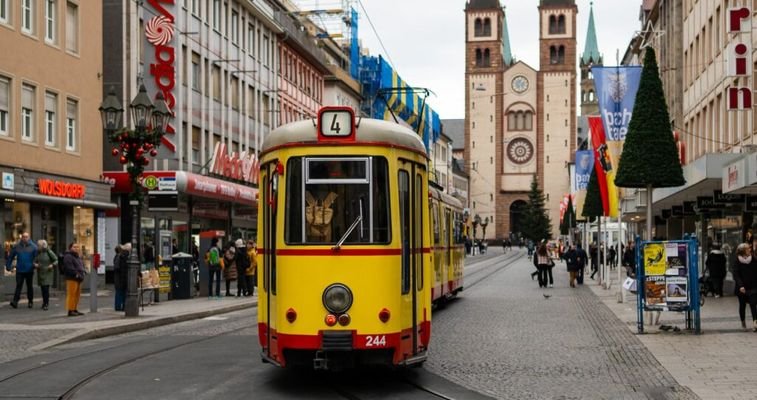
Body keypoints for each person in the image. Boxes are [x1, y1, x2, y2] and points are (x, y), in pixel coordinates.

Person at [5, 232, 38, 309]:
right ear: (21, 238)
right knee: (18, 286)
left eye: (26, 237)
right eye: (23, 237)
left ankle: (30, 301)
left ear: (29, 238)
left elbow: (37, 258)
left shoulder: (34, 247)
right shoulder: (17, 247)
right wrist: (8, 266)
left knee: (29, 286)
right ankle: (15, 302)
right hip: (20, 270)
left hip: (29, 270)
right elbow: (11, 257)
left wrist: (35, 265)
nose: (25, 238)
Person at [733, 243, 757, 331]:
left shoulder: (753, 259)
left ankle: (755, 323)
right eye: (747, 249)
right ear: (743, 251)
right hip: (741, 288)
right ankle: (743, 322)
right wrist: (741, 285)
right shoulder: (737, 261)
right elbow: (736, 274)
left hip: (753, 287)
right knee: (742, 305)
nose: (749, 250)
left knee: (753, 304)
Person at [62, 242, 85, 316]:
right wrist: (76, 274)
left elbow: (81, 265)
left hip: (79, 278)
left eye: (77, 247)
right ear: (70, 248)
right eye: (74, 247)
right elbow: (69, 267)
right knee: (71, 294)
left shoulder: (77, 256)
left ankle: (75, 309)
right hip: (72, 277)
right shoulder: (68, 256)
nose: (76, 248)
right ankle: (70, 310)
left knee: (77, 295)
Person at [33, 239, 57, 311]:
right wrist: (35, 264)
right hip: (41, 272)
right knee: (43, 289)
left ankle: (46, 303)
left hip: (47, 272)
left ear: (43, 246)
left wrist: (52, 265)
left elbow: (56, 260)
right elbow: (34, 261)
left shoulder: (49, 252)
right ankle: (44, 302)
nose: (38, 247)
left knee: (46, 289)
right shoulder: (38, 252)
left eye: (39, 245)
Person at [114, 243, 130, 311]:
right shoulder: (122, 257)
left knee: (120, 292)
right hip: (121, 278)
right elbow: (120, 268)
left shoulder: (117, 256)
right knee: (121, 292)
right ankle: (121, 306)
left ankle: (119, 306)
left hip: (119, 278)